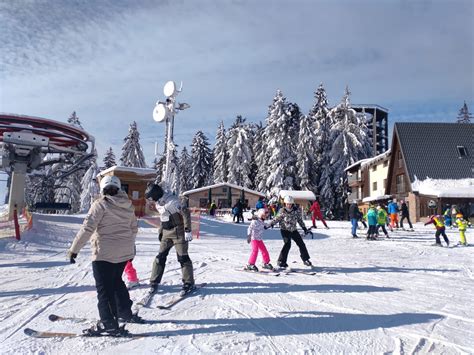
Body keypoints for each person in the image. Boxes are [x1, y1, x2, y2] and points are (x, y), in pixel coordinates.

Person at [67, 176, 140, 336]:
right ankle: (124, 313)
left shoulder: (100, 204)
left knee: (105, 290)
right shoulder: (128, 205)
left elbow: (87, 228)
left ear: (103, 189)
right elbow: (134, 229)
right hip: (123, 253)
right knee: (116, 282)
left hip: (104, 254)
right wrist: (129, 248)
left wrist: (74, 249)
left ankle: (109, 324)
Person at [146, 183, 195, 295]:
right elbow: (163, 218)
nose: (151, 200)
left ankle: (188, 282)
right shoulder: (159, 204)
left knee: (182, 257)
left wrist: (188, 230)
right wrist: (161, 232)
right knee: (160, 257)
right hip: (166, 233)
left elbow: (186, 213)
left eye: (151, 197)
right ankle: (154, 281)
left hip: (178, 232)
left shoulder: (173, 201)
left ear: (156, 194)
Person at [268, 195, 312, 268]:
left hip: (293, 230)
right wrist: (271, 224)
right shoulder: (282, 210)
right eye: (287, 204)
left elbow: (299, 220)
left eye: (290, 204)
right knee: (287, 244)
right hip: (285, 230)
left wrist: (304, 228)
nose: (289, 205)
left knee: (301, 244)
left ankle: (306, 259)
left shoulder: (295, 211)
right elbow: (276, 218)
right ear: (285, 203)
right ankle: (281, 261)